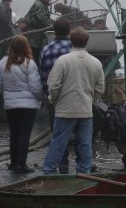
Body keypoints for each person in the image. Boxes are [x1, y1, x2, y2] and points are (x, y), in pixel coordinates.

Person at [42, 27, 105, 174]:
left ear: (71, 41)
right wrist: (91, 100)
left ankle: (49, 172)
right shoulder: (95, 62)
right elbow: (100, 87)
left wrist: (55, 100)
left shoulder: (62, 61)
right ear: (87, 41)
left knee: (58, 143)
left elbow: (53, 85)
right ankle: (84, 173)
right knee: (85, 144)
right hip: (85, 110)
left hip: (64, 110)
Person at [0, 35, 43, 174]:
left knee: (14, 134)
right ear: (26, 48)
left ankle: (13, 162)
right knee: (24, 135)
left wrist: (7, 96)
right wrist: (40, 98)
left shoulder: (2, 63)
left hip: (11, 105)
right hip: (28, 106)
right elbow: (36, 87)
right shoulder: (29, 64)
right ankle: (21, 165)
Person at [39, 19, 76, 173]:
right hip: (76, 97)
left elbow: (42, 75)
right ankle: (84, 166)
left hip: (55, 99)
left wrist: (48, 94)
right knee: (81, 132)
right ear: (69, 31)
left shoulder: (46, 50)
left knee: (58, 134)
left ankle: (62, 164)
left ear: (54, 32)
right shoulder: (76, 49)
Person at [24, 0, 53, 66]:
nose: (49, 0)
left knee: (36, 55)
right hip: (34, 36)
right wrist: (54, 25)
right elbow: (43, 20)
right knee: (35, 56)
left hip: (37, 35)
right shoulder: (39, 5)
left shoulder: (42, 5)